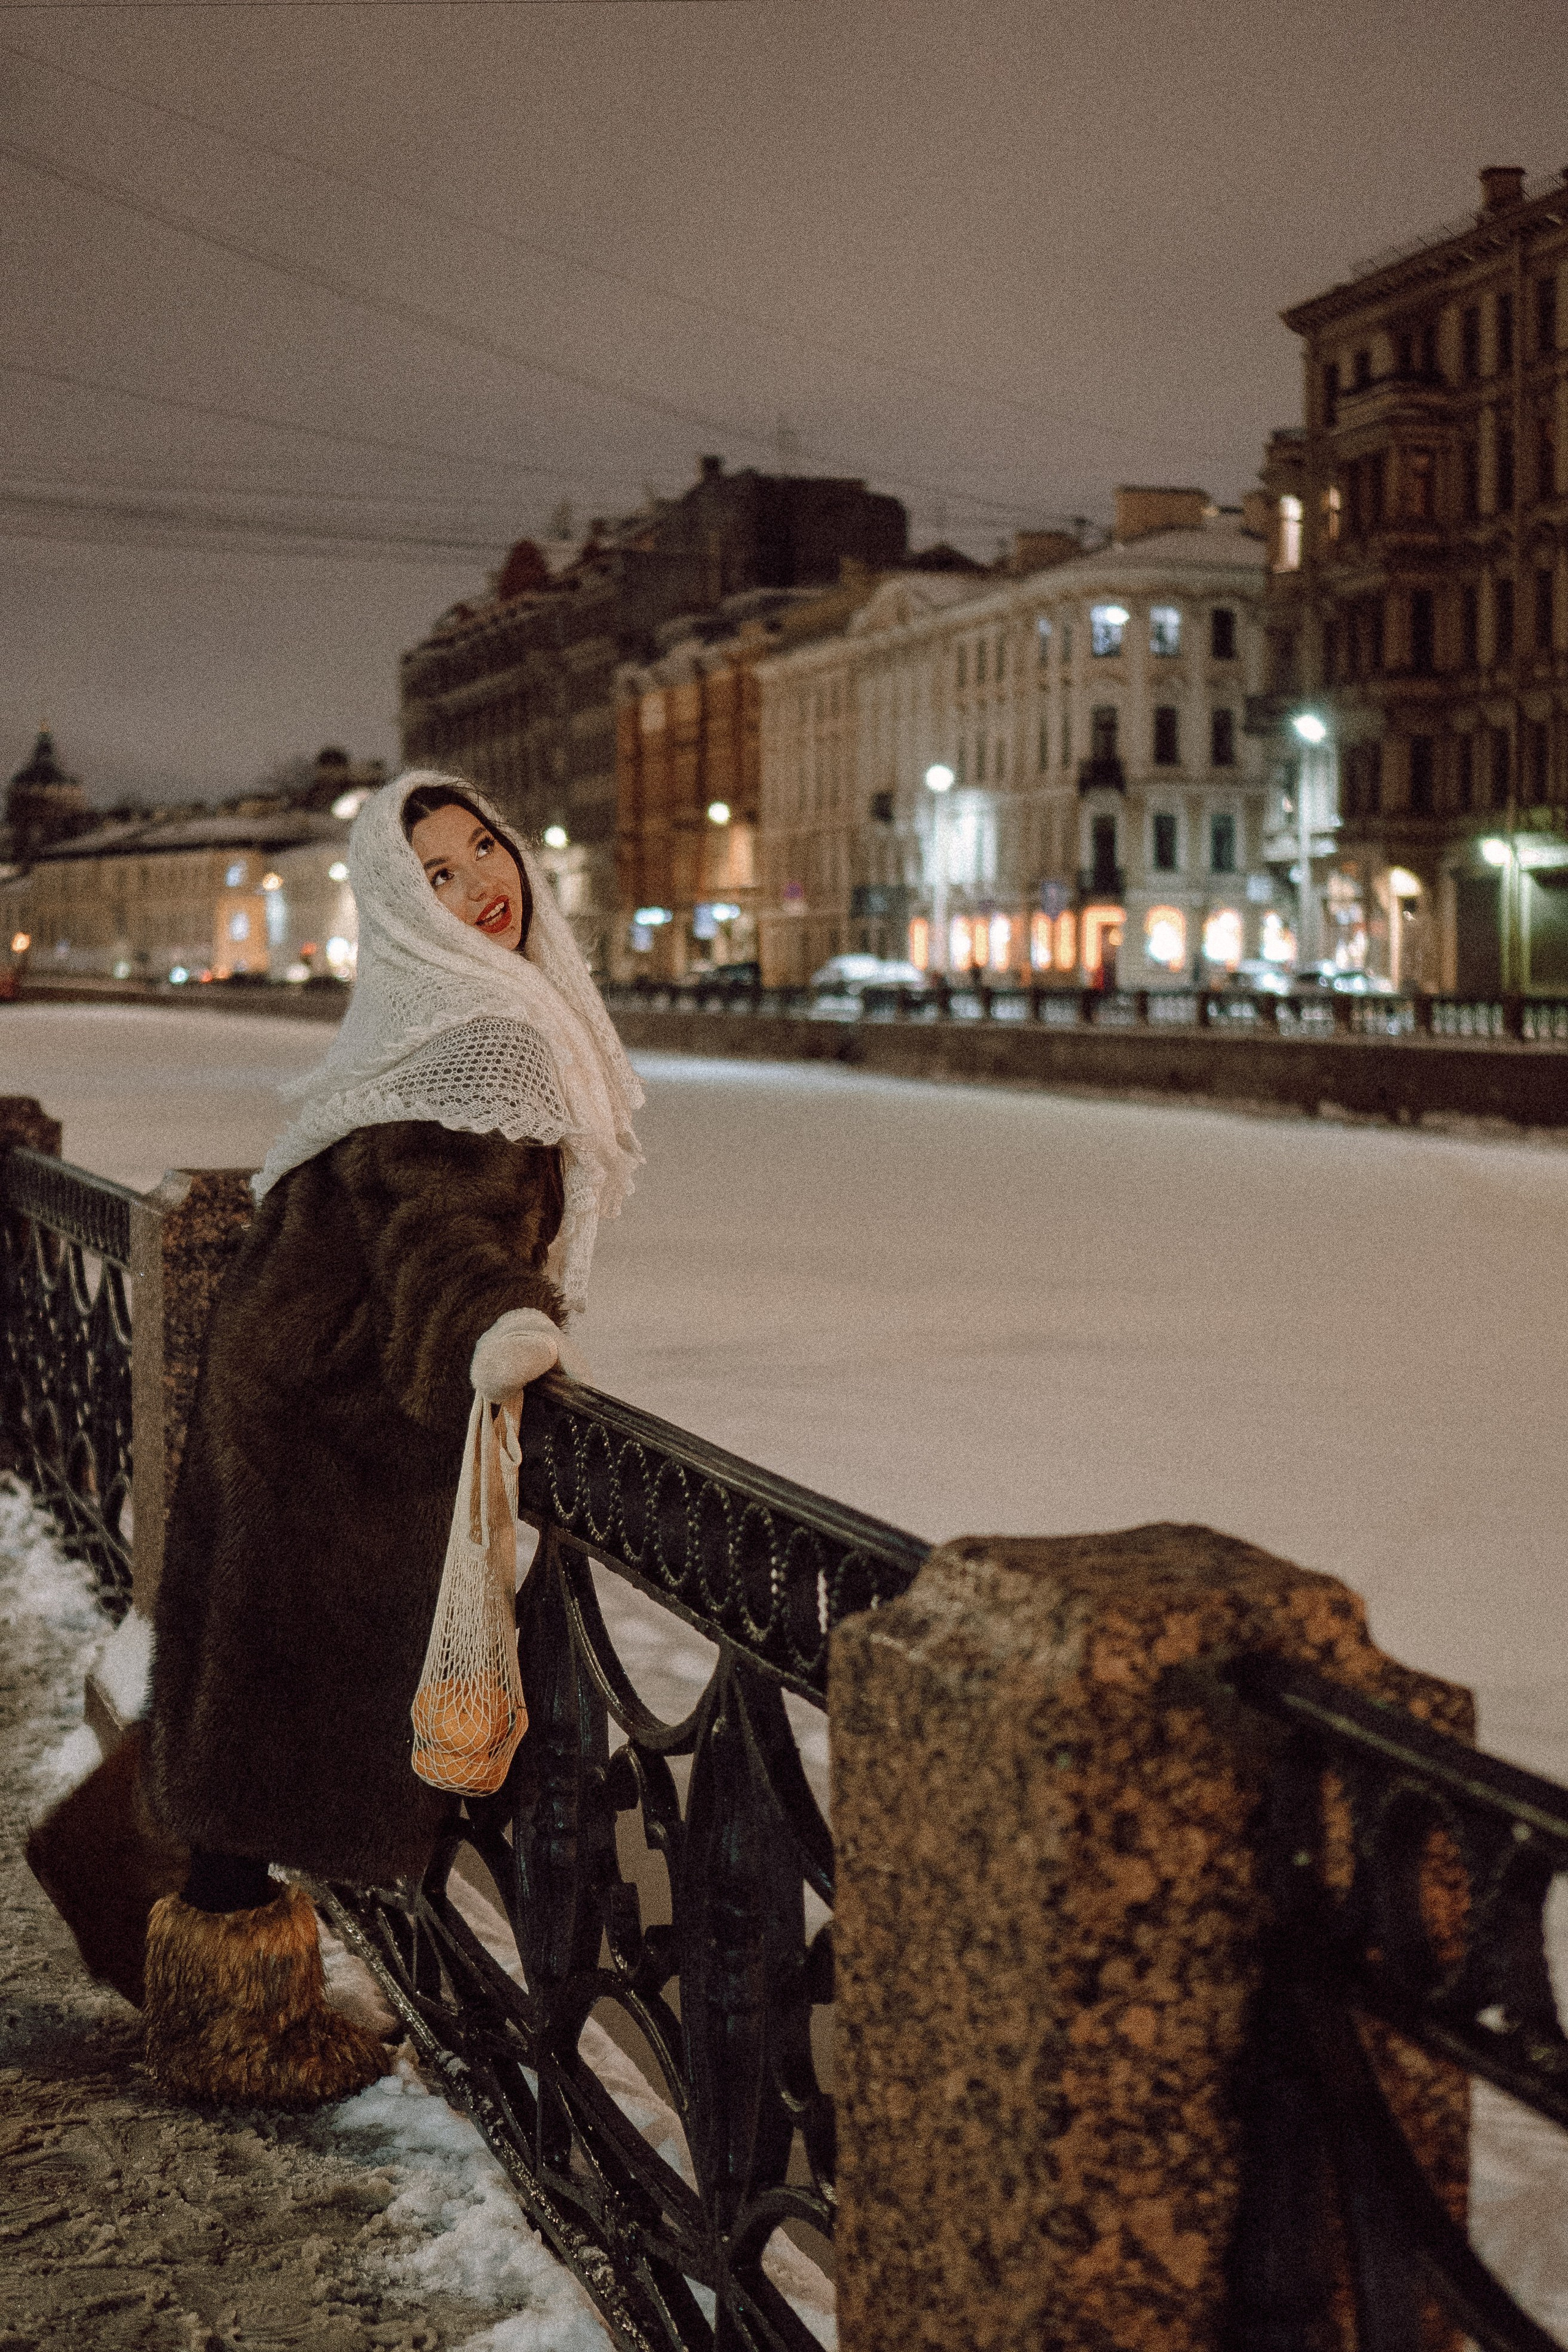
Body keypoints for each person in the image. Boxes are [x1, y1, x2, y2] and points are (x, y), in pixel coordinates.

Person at [141, 770, 643, 2107]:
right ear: (394, 903)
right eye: (436, 872)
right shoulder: (491, 1031)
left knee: (251, 1706)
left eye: (485, 846)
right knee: (330, 1715)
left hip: (287, 1382)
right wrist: (496, 1319)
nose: (482, 879)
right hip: (345, 1411)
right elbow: (431, 1219)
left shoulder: (425, 1011)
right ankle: (250, 2033)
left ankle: (229, 2001)